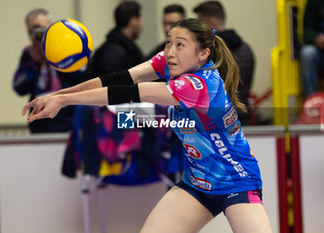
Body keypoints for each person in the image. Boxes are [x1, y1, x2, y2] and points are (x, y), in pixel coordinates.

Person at [23, 18, 273, 233]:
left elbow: (129, 92)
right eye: (168, 42)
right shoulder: (172, 62)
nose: (170, 52)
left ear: (203, 54)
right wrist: (57, 96)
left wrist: (64, 100)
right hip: (197, 184)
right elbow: (121, 78)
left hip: (237, 181)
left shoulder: (200, 85)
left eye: (180, 45)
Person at [13, 8, 88, 133]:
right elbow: (18, 87)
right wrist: (34, 64)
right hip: (40, 127)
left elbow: (82, 77)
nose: (36, 34)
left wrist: (55, 57)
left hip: (70, 124)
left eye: (40, 29)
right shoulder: (29, 54)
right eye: (31, 31)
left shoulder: (66, 47)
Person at [193, 1, 255, 125]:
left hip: (216, 120)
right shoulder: (246, 48)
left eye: (200, 24)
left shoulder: (209, 52)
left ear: (211, 23)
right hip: (242, 116)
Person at [87, 0, 144, 77]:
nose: (141, 25)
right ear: (133, 21)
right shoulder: (114, 53)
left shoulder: (126, 48)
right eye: (140, 21)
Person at [299, 0, 324, 98]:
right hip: (320, 51)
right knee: (307, 53)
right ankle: (312, 103)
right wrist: (316, 38)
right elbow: (306, 30)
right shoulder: (314, 2)